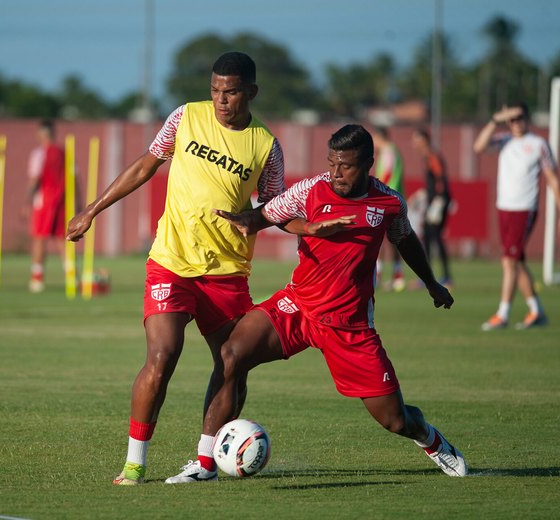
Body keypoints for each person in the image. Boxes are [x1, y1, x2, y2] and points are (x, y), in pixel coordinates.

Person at [67, 52, 293, 485]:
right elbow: (146, 165)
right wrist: (92, 210)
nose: (221, 100)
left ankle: (206, 463)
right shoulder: (185, 117)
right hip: (171, 261)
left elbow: (274, 207)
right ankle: (135, 462)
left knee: (233, 363)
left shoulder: (267, 146)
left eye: (230, 91)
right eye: (215, 90)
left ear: (251, 92)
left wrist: (288, 224)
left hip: (227, 272)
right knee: (163, 354)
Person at [194, 124, 467, 482]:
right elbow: (266, 214)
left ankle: (431, 440)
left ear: (368, 163)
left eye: (347, 166)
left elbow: (406, 240)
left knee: (395, 419)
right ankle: (204, 464)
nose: (336, 173)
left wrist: (432, 284)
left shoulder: (387, 202)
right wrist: (250, 221)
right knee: (231, 354)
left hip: (349, 327)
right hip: (298, 306)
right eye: (332, 163)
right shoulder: (311, 189)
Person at [473, 103, 560, 331]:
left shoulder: (538, 144)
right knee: (516, 260)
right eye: (511, 119)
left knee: (509, 261)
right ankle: (536, 310)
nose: (516, 123)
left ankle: (503, 313)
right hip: (504, 207)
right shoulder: (504, 140)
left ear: (527, 118)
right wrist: (495, 119)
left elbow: (552, 176)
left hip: (525, 207)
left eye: (519, 118)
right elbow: (479, 147)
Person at [26, 119, 69, 293]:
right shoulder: (64, 153)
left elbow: (34, 179)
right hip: (61, 200)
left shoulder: (39, 154)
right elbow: (74, 177)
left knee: (39, 238)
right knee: (62, 239)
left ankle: (37, 278)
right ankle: (71, 275)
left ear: (41, 134)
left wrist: (26, 202)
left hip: (44, 200)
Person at [412, 127, 452, 286]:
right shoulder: (427, 157)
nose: (414, 144)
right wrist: (421, 195)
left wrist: (438, 201)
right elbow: (431, 184)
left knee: (435, 236)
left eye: (417, 140)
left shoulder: (433, 157)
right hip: (434, 200)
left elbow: (440, 179)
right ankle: (427, 276)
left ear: (424, 140)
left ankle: (446, 277)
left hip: (439, 201)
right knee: (428, 236)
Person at [372, 126, 406, 291]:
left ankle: (388, 275)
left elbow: (386, 174)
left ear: (380, 137)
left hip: (387, 200)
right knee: (392, 239)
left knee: (381, 238)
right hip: (393, 198)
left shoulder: (388, 152)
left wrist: (375, 188)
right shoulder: (393, 151)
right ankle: (395, 275)